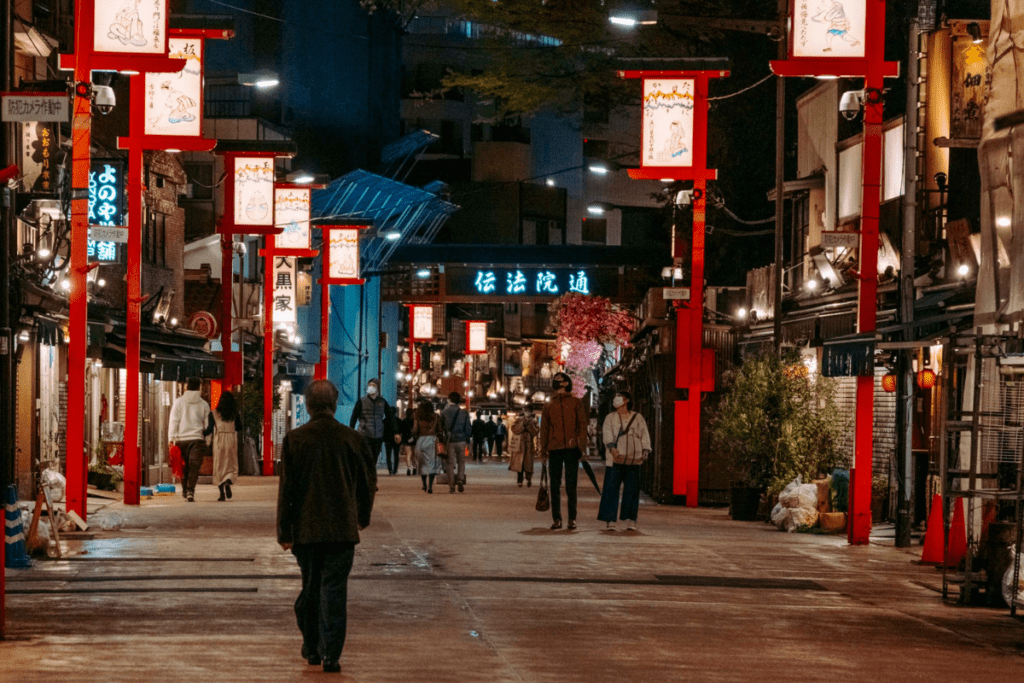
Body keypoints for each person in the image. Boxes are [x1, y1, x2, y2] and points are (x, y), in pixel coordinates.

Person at [277, 380, 376, 674]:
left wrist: (284, 532)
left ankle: (312, 648)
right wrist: (362, 516)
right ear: (334, 405)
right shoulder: (352, 439)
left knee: (310, 588)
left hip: (305, 531)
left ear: (307, 405)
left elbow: (287, 490)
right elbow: (368, 483)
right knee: (333, 590)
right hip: (342, 530)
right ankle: (330, 654)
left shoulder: (295, 439)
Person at [539, 372, 589, 530]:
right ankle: (557, 519)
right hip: (554, 448)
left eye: (559, 380)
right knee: (554, 485)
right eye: (555, 380)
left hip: (571, 448)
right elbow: (544, 429)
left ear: (567, 383)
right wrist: (543, 450)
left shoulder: (576, 402)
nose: (556, 382)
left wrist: (581, 446)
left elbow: (582, 425)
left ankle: (572, 518)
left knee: (571, 485)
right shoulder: (549, 404)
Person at [598, 391, 651, 531]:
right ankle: (610, 519)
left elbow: (644, 434)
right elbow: (607, 433)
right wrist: (611, 447)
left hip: (633, 459)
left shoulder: (637, 417)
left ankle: (632, 519)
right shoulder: (610, 418)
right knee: (611, 489)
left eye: (619, 396)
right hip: (615, 459)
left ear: (626, 400)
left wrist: (645, 450)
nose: (616, 399)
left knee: (632, 490)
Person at [168, 376, 211, 503]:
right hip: (197, 439)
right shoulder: (204, 404)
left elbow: (173, 421)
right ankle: (190, 491)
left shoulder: (178, 402)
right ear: (199, 387)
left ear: (186, 387)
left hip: (181, 440)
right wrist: (208, 441)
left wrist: (171, 438)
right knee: (194, 467)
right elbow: (208, 425)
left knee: (184, 467)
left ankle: (185, 490)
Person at [349, 378, 399, 470]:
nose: (371, 387)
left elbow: (391, 417)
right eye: (369, 385)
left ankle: (369, 477)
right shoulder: (361, 401)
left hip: (378, 435)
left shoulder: (382, 402)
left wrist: (396, 432)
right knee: (367, 457)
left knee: (374, 459)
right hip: (364, 434)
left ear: (377, 388)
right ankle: (367, 478)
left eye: (373, 385)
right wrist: (351, 430)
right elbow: (354, 417)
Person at [207, 390, 242, 502]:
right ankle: (228, 482)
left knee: (219, 467)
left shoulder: (214, 413)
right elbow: (239, 427)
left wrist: (201, 434)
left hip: (219, 442)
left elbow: (209, 429)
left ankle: (221, 494)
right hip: (231, 440)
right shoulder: (235, 414)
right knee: (231, 466)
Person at [440, 392, 472, 493]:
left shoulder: (444, 412)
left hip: (450, 441)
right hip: (462, 440)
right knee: (461, 461)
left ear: (449, 400)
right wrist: (467, 439)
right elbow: (468, 428)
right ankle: (460, 479)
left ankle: (451, 486)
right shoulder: (464, 412)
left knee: (450, 463)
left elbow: (441, 428)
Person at [412, 400, 441, 494]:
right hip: (432, 440)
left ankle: (424, 484)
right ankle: (430, 486)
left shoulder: (418, 417)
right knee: (431, 464)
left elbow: (415, 430)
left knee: (422, 464)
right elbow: (440, 430)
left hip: (421, 440)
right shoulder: (436, 416)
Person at [508, 409, 539, 487]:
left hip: (529, 445)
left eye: (528, 411)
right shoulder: (519, 419)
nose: (527, 413)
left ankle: (529, 479)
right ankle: (520, 480)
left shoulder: (533, 421)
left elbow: (536, 431)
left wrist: (529, 426)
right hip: (520, 445)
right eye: (526, 411)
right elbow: (514, 428)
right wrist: (522, 425)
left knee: (528, 464)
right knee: (520, 464)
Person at [383, 405, 401, 476]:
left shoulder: (384, 421)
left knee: (388, 455)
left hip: (387, 440)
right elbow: (401, 431)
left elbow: (382, 431)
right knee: (396, 455)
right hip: (397, 440)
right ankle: (395, 470)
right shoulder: (398, 420)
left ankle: (390, 469)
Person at [399, 409, 416, 476]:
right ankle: (414, 467)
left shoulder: (403, 421)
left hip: (406, 439)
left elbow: (401, 430)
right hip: (414, 439)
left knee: (408, 454)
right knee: (414, 454)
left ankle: (409, 468)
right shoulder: (414, 421)